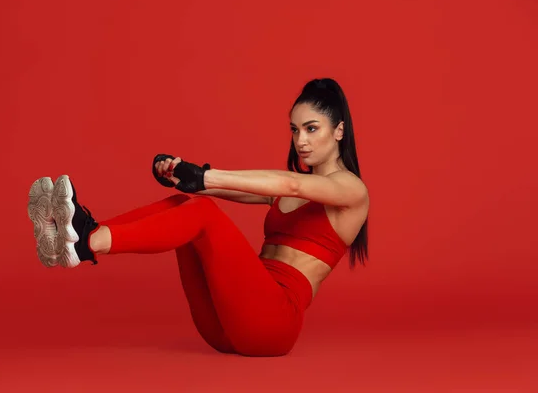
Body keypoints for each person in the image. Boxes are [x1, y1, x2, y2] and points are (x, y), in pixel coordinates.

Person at [27, 77, 369, 357]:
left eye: (311, 129)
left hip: (272, 326)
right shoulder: (283, 190)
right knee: (183, 203)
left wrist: (206, 176)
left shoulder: (350, 191)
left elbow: (292, 183)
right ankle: (79, 236)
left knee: (204, 213)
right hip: (223, 326)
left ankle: (89, 241)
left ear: (339, 131)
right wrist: (184, 176)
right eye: (295, 130)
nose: (300, 141)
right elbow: (232, 189)